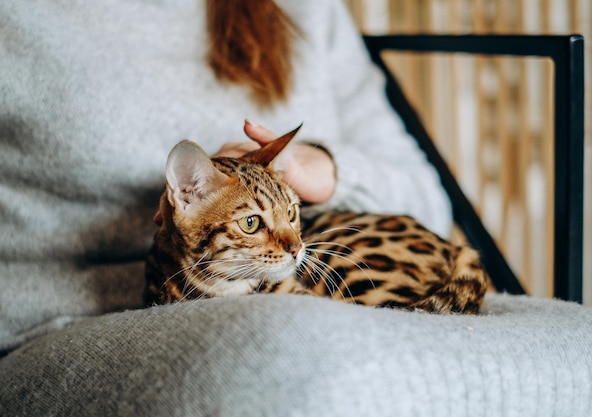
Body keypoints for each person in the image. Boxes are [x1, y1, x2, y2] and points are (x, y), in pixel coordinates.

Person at [0, 0, 450, 413]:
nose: (294, 242)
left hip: (285, 302)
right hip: (57, 328)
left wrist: (326, 168)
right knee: (300, 362)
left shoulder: (308, 8)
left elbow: (432, 205)